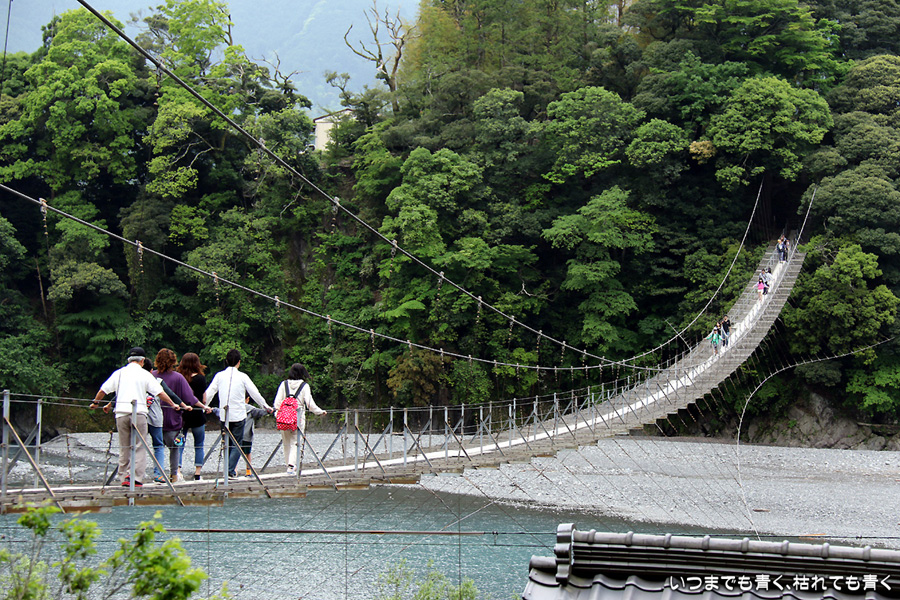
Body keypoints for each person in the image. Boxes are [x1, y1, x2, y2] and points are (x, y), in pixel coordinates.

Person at [90, 347, 176, 487]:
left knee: (124, 446)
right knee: (139, 446)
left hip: (121, 413)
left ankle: (124, 476)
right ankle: (135, 477)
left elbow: (103, 390)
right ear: (142, 361)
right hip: (139, 413)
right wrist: (173, 404)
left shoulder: (119, 373)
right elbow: (160, 392)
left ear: (129, 360)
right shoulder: (145, 374)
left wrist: (95, 403)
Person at [204, 349, 273, 478]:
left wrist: (204, 406)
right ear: (239, 362)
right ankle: (229, 470)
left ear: (226, 361)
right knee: (237, 444)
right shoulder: (243, 376)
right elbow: (254, 393)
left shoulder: (219, 376)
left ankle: (228, 470)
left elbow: (210, 392)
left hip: (224, 415)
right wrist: (266, 406)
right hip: (239, 415)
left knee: (226, 443)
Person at [153, 348, 209, 482]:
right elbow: (191, 398)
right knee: (176, 446)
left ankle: (159, 473)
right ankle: (175, 474)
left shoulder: (152, 376)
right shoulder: (178, 378)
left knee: (157, 446)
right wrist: (204, 407)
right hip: (173, 418)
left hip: (154, 418)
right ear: (173, 361)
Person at [273, 363, 327, 475]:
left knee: (286, 442)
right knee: (296, 442)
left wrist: (278, 415)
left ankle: (288, 465)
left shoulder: (283, 384)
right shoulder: (304, 386)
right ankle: (292, 466)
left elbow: (277, 403)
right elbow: (310, 404)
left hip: (284, 418)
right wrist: (320, 412)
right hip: (298, 418)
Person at [176, 352, 209, 481]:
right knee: (199, 444)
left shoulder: (179, 378)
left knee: (179, 444)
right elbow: (204, 399)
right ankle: (197, 473)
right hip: (197, 413)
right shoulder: (200, 378)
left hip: (182, 414)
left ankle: (178, 470)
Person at [241, 397, 270, 476]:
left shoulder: (233, 407)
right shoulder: (251, 409)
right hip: (246, 435)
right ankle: (248, 471)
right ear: (247, 399)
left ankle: (234, 471)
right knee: (248, 453)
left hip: (235, 434)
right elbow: (261, 412)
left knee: (234, 452)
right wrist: (271, 409)